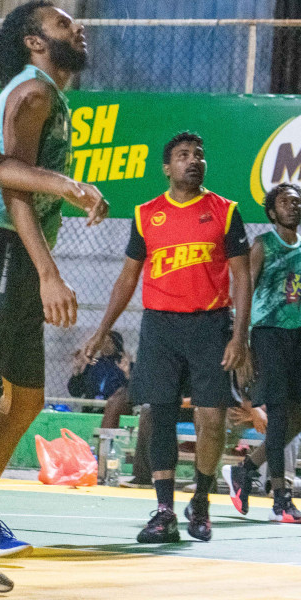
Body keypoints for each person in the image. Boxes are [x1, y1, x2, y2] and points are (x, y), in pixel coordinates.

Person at [0, 3, 109, 593]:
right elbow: (9, 181)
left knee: (24, 404)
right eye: (64, 24)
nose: (78, 29)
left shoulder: (24, 95)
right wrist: (49, 269)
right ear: (36, 41)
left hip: (9, 257)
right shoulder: (32, 95)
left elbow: (3, 172)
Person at [82, 131, 252, 546]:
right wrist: (102, 329)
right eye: (182, 155)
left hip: (210, 325)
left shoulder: (225, 211)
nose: (192, 160)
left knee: (211, 419)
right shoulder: (146, 214)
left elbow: (243, 276)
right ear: (167, 166)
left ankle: (202, 500)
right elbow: (127, 277)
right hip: (160, 326)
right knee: (159, 415)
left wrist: (239, 336)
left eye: (199, 154)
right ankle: (163, 511)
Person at [223, 183, 301, 525]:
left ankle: (244, 470)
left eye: (298, 202)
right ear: (272, 210)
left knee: (299, 418)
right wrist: (243, 340)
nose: (293, 206)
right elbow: (244, 291)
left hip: (297, 337)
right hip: (266, 335)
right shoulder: (263, 244)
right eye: (285, 201)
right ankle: (281, 498)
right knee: (279, 418)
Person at [68, 329, 132, 429]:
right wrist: (77, 372)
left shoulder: (123, 364)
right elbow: (75, 392)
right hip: (90, 411)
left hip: (113, 412)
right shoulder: (93, 364)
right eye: (103, 342)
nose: (105, 345)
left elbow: (133, 393)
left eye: (110, 342)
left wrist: (127, 374)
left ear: (117, 345)